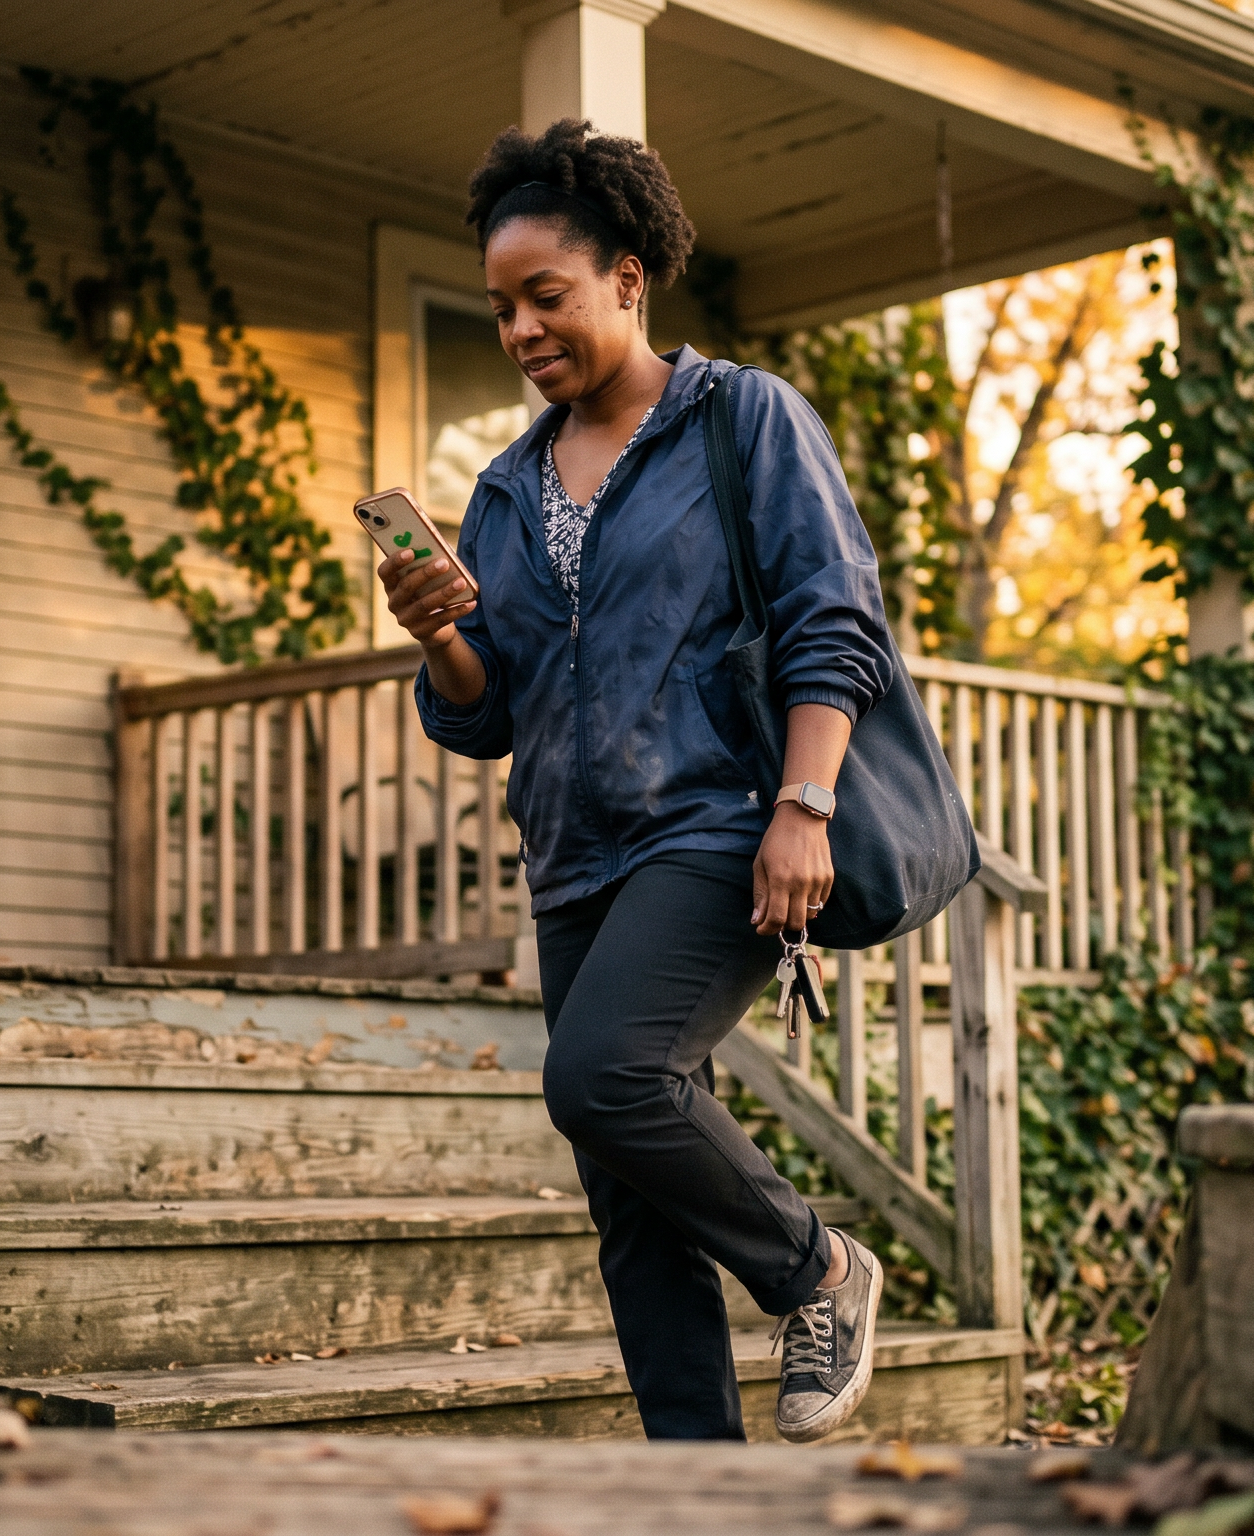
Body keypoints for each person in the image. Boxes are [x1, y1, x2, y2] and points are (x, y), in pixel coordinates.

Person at [381, 117, 901, 1443]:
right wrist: (441, 633)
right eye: (501, 309)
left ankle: (818, 1269)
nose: (518, 330)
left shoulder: (742, 421)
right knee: (631, 1200)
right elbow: (486, 716)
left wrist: (805, 805)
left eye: (543, 296)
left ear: (627, 274)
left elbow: (832, 622)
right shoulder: (502, 489)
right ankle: (693, 1492)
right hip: (572, 855)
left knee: (599, 1077)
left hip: (715, 826)